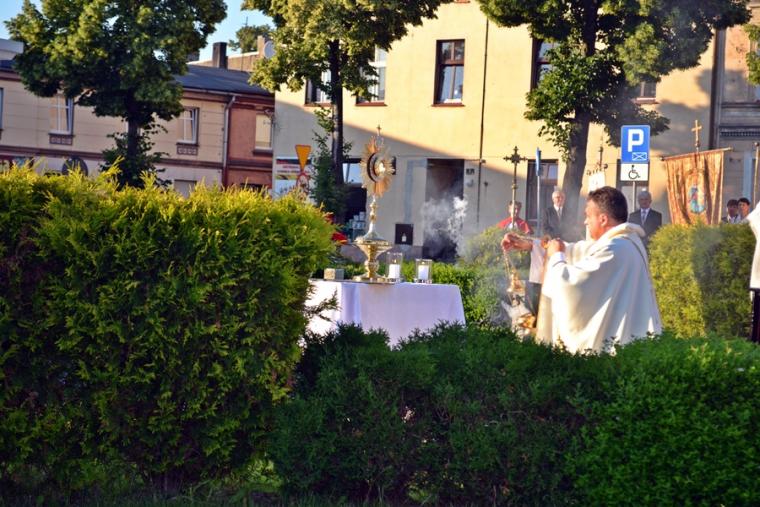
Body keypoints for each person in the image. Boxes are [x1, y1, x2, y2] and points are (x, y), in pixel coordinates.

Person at [503, 186, 662, 354]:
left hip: (616, 353)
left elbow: (568, 284)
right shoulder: (622, 242)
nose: (585, 222)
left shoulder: (616, 250)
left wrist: (555, 256)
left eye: (588, 216)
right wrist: (532, 245)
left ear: (603, 219)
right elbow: (578, 250)